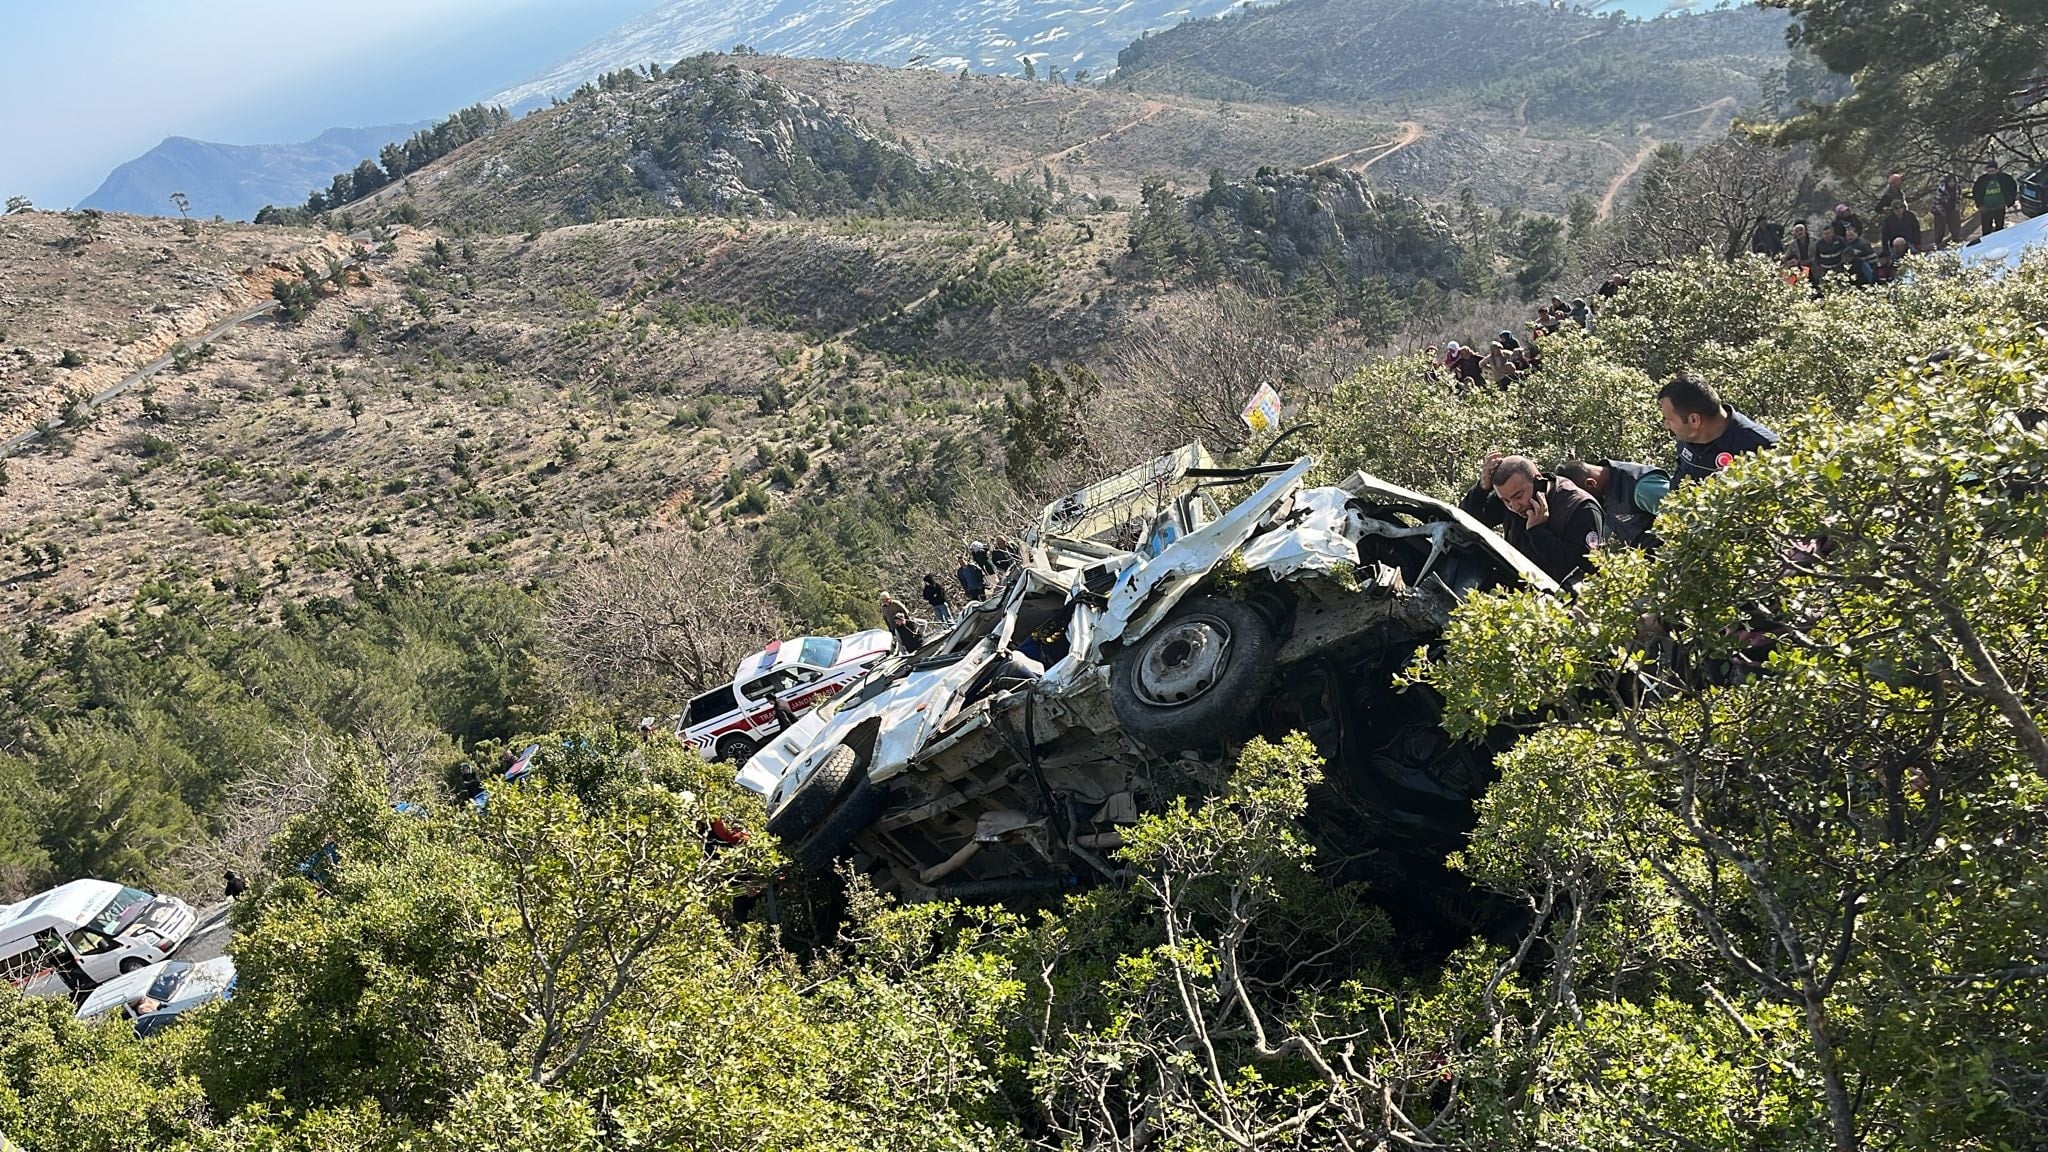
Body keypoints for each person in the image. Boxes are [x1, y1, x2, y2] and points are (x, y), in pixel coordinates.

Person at [1460, 453, 1604, 587]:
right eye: (1505, 501)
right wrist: (1481, 489)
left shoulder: (1580, 507)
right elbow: (1468, 522)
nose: (1514, 506)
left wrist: (1538, 533)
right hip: (1516, 591)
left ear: (1538, 480)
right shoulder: (1511, 498)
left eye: (1519, 496)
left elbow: (1583, 567)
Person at [1657, 374, 1779, 486]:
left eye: (1669, 419)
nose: (1666, 425)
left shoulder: (1763, 448)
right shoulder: (1688, 435)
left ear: (1694, 420)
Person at [1555, 458, 1671, 547]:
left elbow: (1682, 515)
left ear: (1590, 484)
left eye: (1580, 496)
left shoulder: (1641, 489)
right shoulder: (1605, 494)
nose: (1583, 501)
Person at [1974, 159, 2020, 235]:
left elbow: (2012, 188)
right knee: (1986, 230)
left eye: (1993, 171)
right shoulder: (1981, 180)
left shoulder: (2005, 178)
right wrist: (1980, 205)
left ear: (1997, 170)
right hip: (1986, 209)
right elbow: (1976, 193)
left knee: (2000, 228)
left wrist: (2008, 201)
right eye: (1989, 171)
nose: (1991, 173)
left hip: (1999, 207)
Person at [1929, 171, 1966, 247]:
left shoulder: (1957, 187)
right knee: (1940, 227)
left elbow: (1958, 198)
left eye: (1953, 181)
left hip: (1951, 207)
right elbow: (1937, 203)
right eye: (1950, 182)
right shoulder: (1941, 189)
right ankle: (1938, 243)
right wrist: (1943, 213)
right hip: (1939, 209)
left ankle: (1956, 238)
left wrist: (1957, 206)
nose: (1952, 183)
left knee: (1955, 221)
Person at [1812, 221, 1847, 289]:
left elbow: (1845, 251)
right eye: (1825, 234)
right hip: (1825, 269)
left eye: (1828, 233)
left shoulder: (1839, 240)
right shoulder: (1819, 244)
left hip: (1838, 268)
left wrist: (1843, 262)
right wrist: (1819, 267)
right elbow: (1816, 257)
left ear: (1832, 233)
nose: (1827, 235)